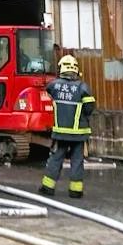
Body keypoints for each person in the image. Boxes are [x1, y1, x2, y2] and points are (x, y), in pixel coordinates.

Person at [39, 54, 96, 198]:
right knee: (77, 160)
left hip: (60, 133)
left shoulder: (54, 85)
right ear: (76, 69)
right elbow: (89, 108)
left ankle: (48, 187)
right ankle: (76, 191)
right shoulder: (83, 88)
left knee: (56, 158)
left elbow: (49, 91)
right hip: (78, 133)